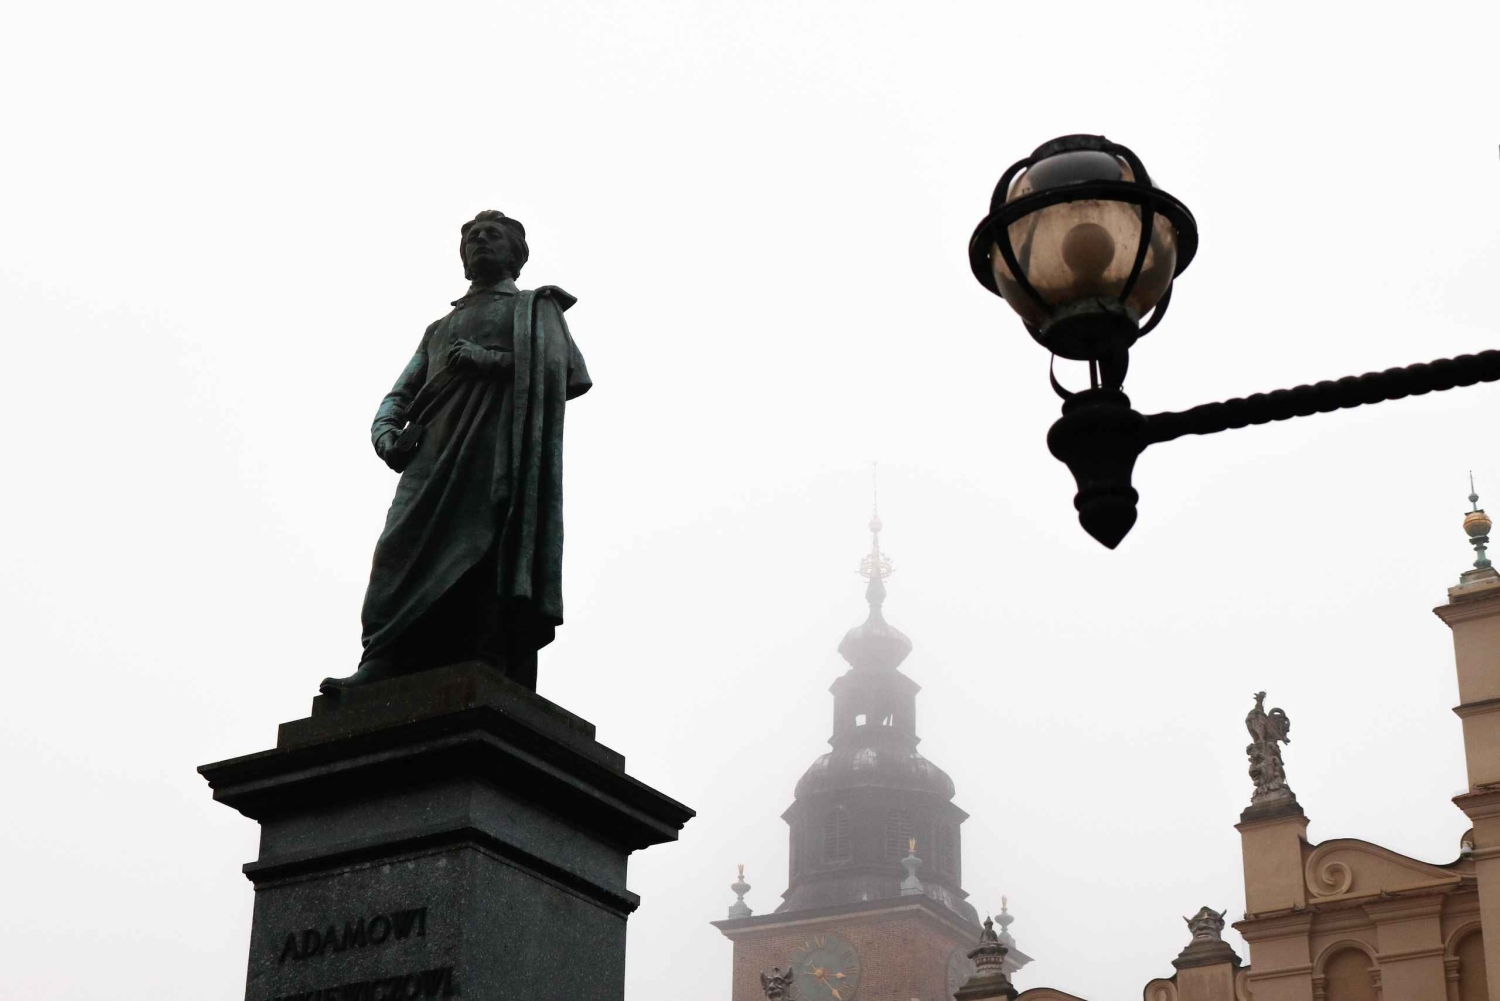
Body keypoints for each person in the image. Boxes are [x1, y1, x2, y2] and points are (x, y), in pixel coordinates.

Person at [321, 210, 591, 694]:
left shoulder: (534, 308)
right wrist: (384, 430)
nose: (480, 242)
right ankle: (381, 661)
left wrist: (486, 360)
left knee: (482, 546)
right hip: (431, 456)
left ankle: (484, 658)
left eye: (493, 235)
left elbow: (564, 372)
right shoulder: (439, 327)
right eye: (472, 237)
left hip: (495, 451)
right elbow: (400, 392)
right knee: (395, 551)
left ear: (517, 255)